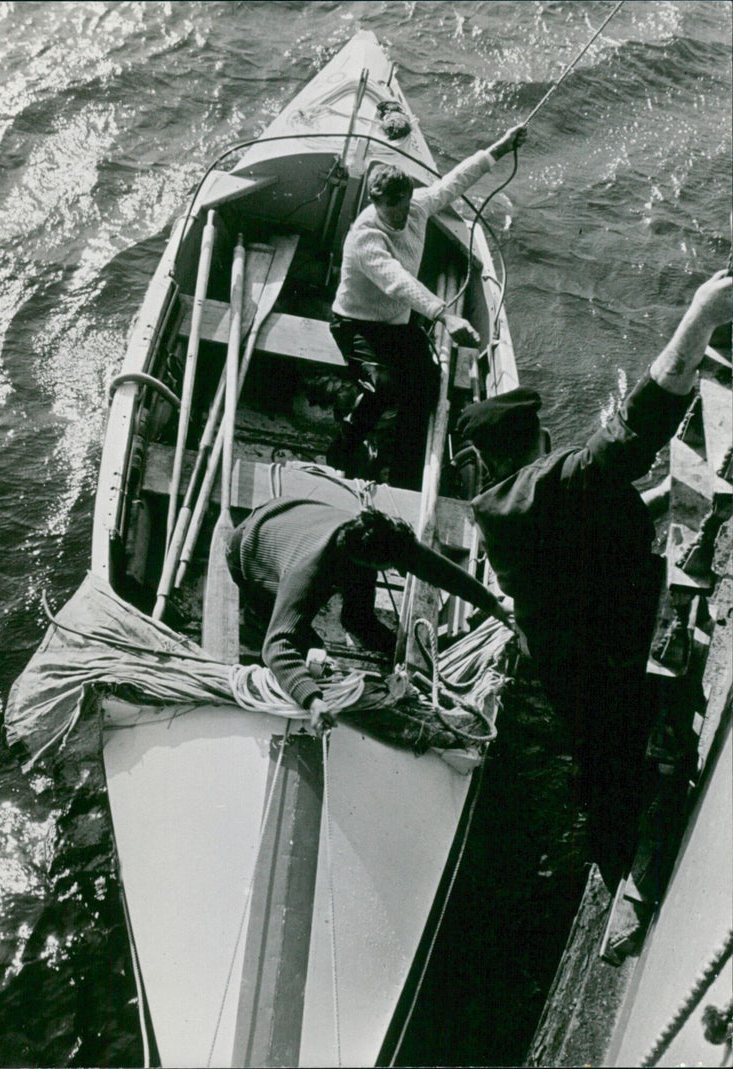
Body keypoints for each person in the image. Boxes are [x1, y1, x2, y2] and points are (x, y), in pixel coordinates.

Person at [453, 269, 732, 889]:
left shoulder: (520, 505)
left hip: (577, 651)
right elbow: (634, 430)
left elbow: (597, 507)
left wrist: (666, 497)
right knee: (611, 762)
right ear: (541, 441)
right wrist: (701, 317)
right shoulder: (536, 491)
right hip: (594, 662)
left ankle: (618, 846)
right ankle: (623, 870)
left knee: (605, 755)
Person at [328, 122, 528, 488]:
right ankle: (343, 444)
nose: (401, 215)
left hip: (398, 323)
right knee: (383, 387)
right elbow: (396, 281)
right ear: (375, 202)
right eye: (391, 208)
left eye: (404, 204)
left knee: (427, 385)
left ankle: (402, 469)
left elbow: (452, 183)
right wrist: (445, 315)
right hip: (356, 324)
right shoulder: (364, 237)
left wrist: (498, 148)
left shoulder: (415, 207)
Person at [225, 499, 515, 735]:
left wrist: (493, 606)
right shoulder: (309, 573)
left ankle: (400, 666)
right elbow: (276, 646)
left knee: (358, 620)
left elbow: (436, 569)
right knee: (310, 651)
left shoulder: (382, 535)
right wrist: (312, 699)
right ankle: (261, 630)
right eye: (387, 567)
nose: (396, 569)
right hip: (251, 550)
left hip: (291, 513)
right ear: (361, 560)